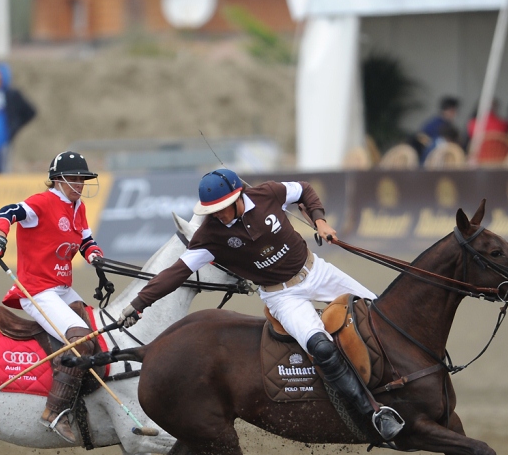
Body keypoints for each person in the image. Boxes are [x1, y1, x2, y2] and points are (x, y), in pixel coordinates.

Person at [118, 170, 404, 441]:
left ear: (239, 194)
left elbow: (304, 189)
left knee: (382, 316)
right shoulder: (209, 236)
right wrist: (139, 303)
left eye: (224, 206)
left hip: (317, 271)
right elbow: (177, 272)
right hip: (282, 297)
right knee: (321, 346)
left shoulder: (268, 193)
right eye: (212, 210)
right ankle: (373, 414)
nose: (218, 214)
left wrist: (319, 220)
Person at [0, 151, 104, 443]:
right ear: (58, 180)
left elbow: (86, 240)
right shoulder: (42, 203)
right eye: (74, 179)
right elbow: (8, 212)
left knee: (102, 334)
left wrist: (96, 256)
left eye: (83, 179)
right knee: (80, 341)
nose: (80, 184)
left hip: (63, 289)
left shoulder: (78, 207)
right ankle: (53, 411)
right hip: (38, 291)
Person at [418, 96, 460, 163]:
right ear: (445, 111)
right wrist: (432, 146)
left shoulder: (449, 125)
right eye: (452, 111)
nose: (454, 114)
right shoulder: (434, 124)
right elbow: (421, 137)